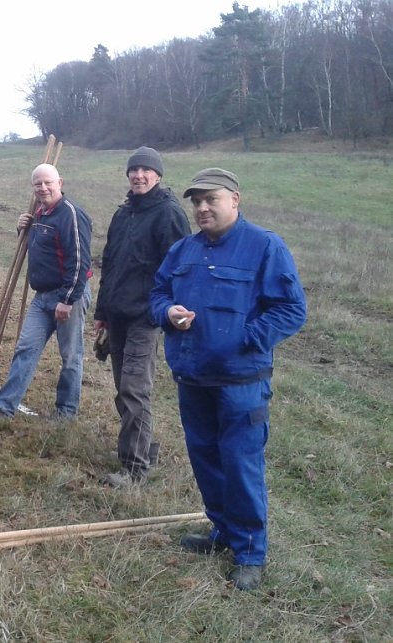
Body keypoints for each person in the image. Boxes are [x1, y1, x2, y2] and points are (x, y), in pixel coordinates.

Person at [150, 168, 306, 591]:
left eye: (210, 199)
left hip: (241, 382)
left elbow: (292, 309)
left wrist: (246, 339)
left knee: (241, 465)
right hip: (193, 377)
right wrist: (168, 313)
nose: (201, 208)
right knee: (206, 460)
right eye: (196, 202)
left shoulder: (264, 246)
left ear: (234, 199)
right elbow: (158, 294)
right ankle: (222, 532)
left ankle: (250, 553)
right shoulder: (183, 250)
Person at [94, 147, 191, 488]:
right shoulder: (124, 214)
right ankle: (146, 448)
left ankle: (134, 470)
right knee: (124, 390)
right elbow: (110, 263)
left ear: (158, 175)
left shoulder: (168, 214)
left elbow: (181, 268)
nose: (139, 175)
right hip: (118, 315)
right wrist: (102, 314)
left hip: (145, 317)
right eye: (133, 170)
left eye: (146, 170)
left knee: (135, 390)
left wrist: (165, 311)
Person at [0, 163, 92, 420]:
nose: (43, 188)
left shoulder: (70, 214)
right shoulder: (39, 214)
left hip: (68, 296)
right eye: (38, 184)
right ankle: (3, 407)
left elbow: (79, 262)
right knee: (25, 348)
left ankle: (66, 414)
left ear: (60, 183)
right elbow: (38, 247)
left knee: (70, 356)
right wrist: (23, 227)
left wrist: (67, 300)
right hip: (42, 296)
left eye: (48, 183)